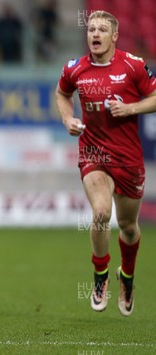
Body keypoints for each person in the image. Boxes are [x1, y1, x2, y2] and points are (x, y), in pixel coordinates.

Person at [55, 10, 156, 316]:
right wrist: (68, 118)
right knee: (100, 213)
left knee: (127, 226)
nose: (95, 34)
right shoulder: (75, 68)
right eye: (91, 29)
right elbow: (62, 93)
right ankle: (100, 277)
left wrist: (131, 108)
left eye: (102, 30)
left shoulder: (134, 65)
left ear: (114, 36)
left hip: (127, 157)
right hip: (93, 152)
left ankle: (127, 276)